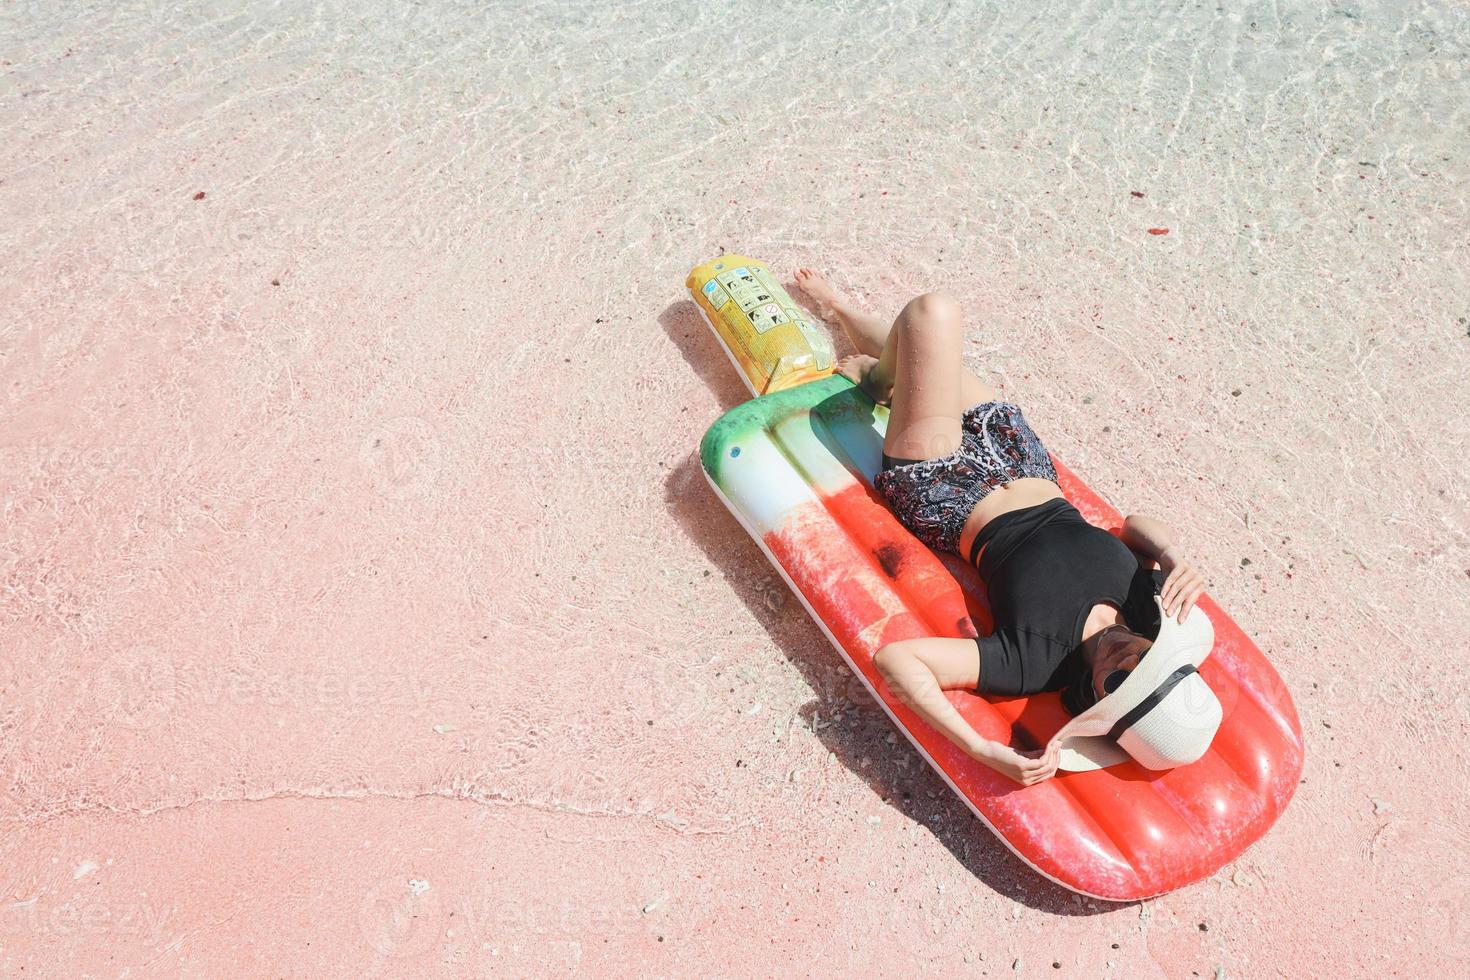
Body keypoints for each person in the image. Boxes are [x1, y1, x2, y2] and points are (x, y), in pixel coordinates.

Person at [793, 269, 1208, 787]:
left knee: (932, 313)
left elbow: (898, 660)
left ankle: (878, 381)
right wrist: (1170, 554)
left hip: (944, 485)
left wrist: (978, 747)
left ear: (1098, 697)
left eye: (1123, 681)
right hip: (1021, 457)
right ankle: (844, 320)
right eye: (1147, 663)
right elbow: (1133, 526)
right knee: (936, 357)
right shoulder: (1152, 608)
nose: (1129, 658)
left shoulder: (1034, 664)